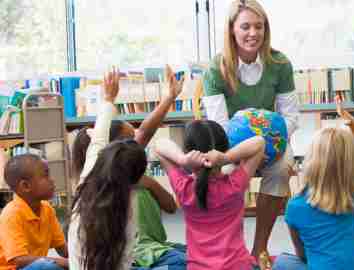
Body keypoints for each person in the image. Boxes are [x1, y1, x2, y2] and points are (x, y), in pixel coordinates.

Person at [202, 1, 299, 267]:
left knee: (281, 169)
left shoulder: (280, 64)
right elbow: (219, 126)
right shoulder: (215, 69)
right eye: (245, 26)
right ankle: (230, 247)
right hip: (230, 144)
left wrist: (269, 142)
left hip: (272, 141)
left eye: (259, 26)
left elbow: (291, 117)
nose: (253, 33)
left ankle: (259, 248)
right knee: (222, 174)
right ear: (232, 30)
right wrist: (245, 152)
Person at [71, 66, 187, 270]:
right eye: (129, 140)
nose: (137, 141)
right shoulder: (122, 196)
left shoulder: (92, 179)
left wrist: (169, 97)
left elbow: (140, 133)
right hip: (140, 256)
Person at [272, 97, 354, 270]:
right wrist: (346, 116)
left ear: (311, 159)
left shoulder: (295, 206)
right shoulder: (352, 187)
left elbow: (302, 255)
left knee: (282, 261)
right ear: (349, 161)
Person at [155, 120, 265, 270]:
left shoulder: (184, 187)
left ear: (188, 150)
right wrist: (226, 158)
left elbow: (159, 144)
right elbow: (259, 142)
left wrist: (182, 160)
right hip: (238, 266)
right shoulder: (235, 185)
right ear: (224, 149)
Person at [0, 154, 68, 270]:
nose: (52, 180)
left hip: (37, 266)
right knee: (49, 267)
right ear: (26, 186)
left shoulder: (47, 209)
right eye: (46, 175)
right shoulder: (11, 214)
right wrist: (64, 263)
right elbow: (19, 260)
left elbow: (62, 247)